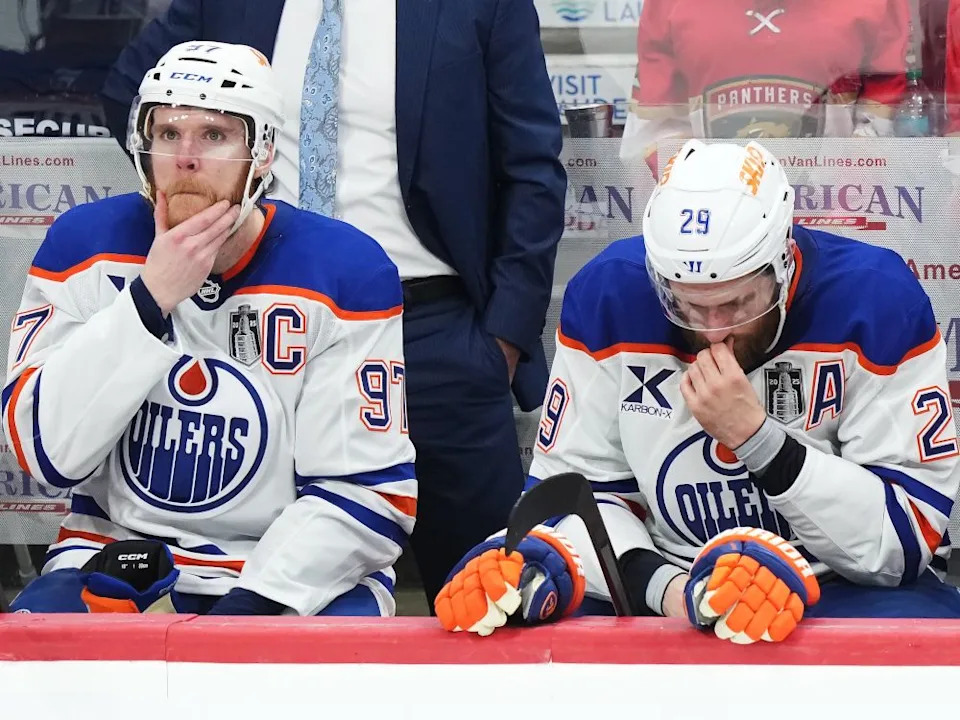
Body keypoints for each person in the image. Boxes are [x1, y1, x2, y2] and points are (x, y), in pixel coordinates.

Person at [98, 0, 567, 606]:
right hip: (267, 329)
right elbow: (130, 98)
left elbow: (532, 167)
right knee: (285, 584)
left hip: (435, 333)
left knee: (487, 595)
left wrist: (502, 339)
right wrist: (202, 208)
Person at [434, 139, 960, 643]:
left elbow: (905, 537)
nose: (712, 331)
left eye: (735, 304)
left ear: (782, 261)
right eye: (688, 305)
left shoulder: (877, 300)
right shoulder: (608, 297)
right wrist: (671, 592)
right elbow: (578, 495)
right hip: (670, 578)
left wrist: (758, 441)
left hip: (837, 583)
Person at [4, 41, 416, 616]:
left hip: (287, 571)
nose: (186, 158)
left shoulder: (345, 269)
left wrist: (249, 609)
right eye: (168, 134)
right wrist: (149, 301)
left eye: (215, 135)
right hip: (114, 549)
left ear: (263, 151)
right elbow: (45, 456)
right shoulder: (84, 245)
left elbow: (366, 494)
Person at [621, 0, 909, 173]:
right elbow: (653, 134)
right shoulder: (668, 5)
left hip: (835, 217)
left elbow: (885, 123)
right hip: (714, 224)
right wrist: (705, 195)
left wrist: (846, 189)